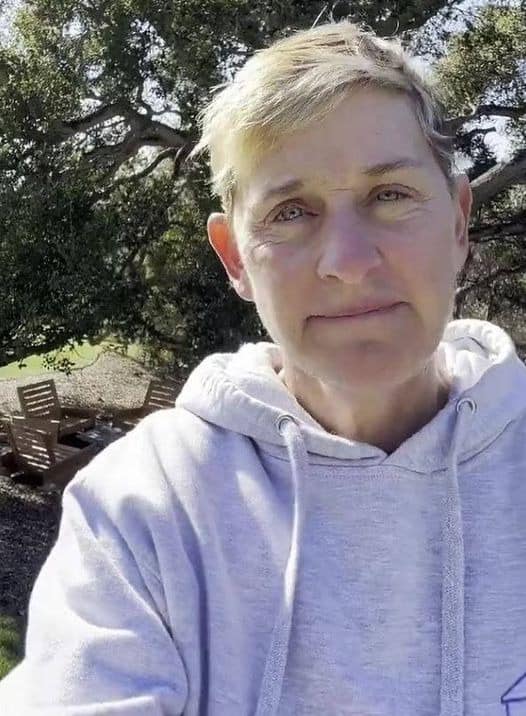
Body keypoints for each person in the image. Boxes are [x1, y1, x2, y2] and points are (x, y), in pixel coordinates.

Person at [1, 18, 526, 716]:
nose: (348, 262)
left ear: (459, 222)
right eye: (291, 212)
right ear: (235, 259)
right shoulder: (144, 507)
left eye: (390, 195)